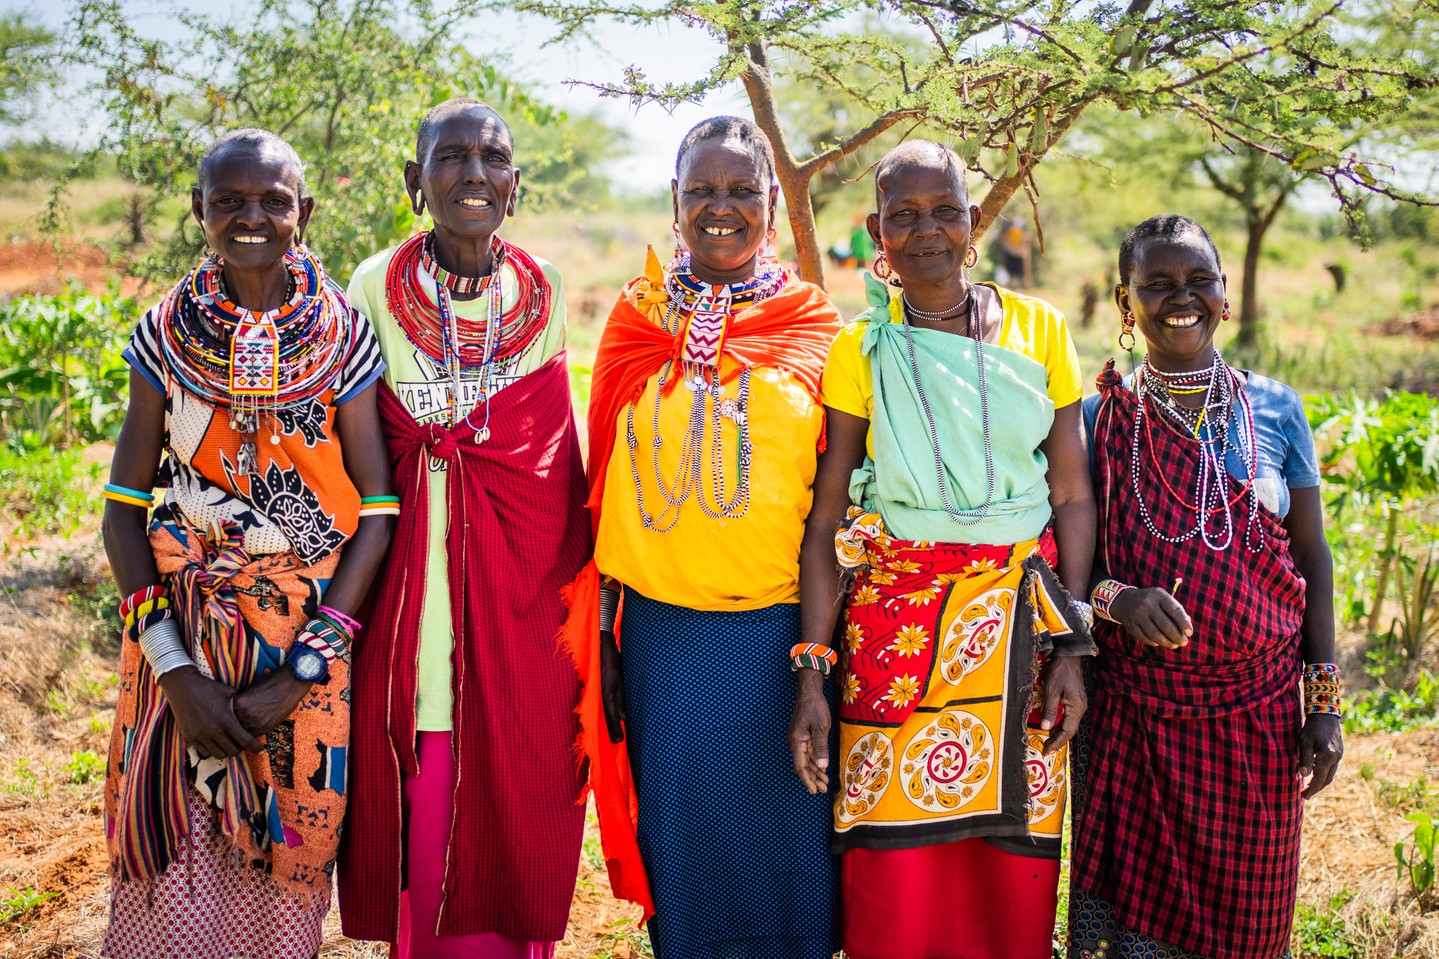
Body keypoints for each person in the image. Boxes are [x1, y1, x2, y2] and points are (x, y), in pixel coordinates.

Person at [789, 140, 1098, 959]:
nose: (925, 230)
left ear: (972, 222)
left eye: (944, 211)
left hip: (1017, 632)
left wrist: (1073, 646)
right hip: (896, 633)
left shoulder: (1039, 328)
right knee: (896, 871)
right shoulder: (860, 348)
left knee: (1009, 868)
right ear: (875, 231)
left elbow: (1069, 495)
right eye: (903, 214)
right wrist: (813, 668)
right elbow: (825, 519)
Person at [100, 128, 393, 959]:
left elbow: (375, 512)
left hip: (300, 642)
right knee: (171, 858)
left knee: (284, 862)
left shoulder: (342, 336)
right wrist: (178, 672)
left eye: (272, 201)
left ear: (306, 211)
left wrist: (296, 676)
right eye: (227, 200)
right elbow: (123, 510)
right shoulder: (166, 334)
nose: (251, 217)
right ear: (199, 211)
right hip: (179, 636)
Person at [560, 115, 844, 959]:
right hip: (660, 637)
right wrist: (605, 642)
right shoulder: (634, 323)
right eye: (701, 191)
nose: (721, 208)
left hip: (783, 636)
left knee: (790, 846)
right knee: (684, 852)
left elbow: (837, 507)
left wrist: (816, 660)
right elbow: (601, 486)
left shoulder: (814, 325)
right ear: (673, 202)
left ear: (769, 201)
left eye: (740, 190)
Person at [337, 99, 589, 959]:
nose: (473, 173)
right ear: (416, 180)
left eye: (492, 158)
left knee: (519, 800)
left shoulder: (545, 290)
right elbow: (356, 451)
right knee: (424, 820)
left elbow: (550, 460)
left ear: (515, 184)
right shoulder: (372, 286)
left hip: (516, 609)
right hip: (411, 598)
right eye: (450, 157)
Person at [1068, 214, 1343, 959]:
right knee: (1134, 926)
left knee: (1252, 916)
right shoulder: (1099, 418)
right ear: (1126, 306)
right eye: (1155, 284)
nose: (1178, 298)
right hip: (1135, 718)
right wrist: (1115, 599)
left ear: (1224, 297)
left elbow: (1311, 559)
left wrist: (1322, 704)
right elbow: (1068, 559)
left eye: (1198, 281)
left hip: (1256, 714)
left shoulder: (1278, 408)